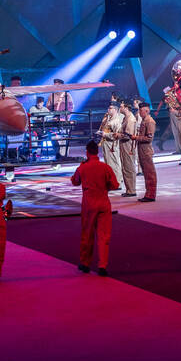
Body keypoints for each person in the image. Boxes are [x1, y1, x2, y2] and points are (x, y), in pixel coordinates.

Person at [71, 140, 120, 275]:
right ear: (97, 152)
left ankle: (85, 263)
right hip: (103, 202)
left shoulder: (83, 168)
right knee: (104, 236)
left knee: (87, 234)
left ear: (87, 152)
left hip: (89, 203)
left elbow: (75, 181)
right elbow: (115, 185)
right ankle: (102, 265)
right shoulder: (105, 167)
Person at [135, 102, 157, 202]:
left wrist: (136, 137)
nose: (139, 112)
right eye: (139, 110)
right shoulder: (144, 120)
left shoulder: (149, 121)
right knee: (146, 173)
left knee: (150, 173)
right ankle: (148, 193)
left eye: (141, 110)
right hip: (142, 149)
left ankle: (151, 195)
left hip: (146, 150)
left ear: (147, 110)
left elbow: (149, 138)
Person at [118, 99, 138, 197]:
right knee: (125, 167)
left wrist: (118, 135)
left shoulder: (130, 119)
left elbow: (128, 135)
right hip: (124, 145)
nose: (120, 108)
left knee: (129, 167)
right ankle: (129, 189)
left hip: (128, 146)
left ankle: (131, 190)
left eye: (121, 107)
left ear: (126, 108)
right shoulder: (126, 117)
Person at [100, 104, 123, 179]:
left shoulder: (117, 121)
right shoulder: (109, 119)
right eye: (108, 108)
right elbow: (103, 128)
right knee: (108, 164)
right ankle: (112, 180)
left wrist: (105, 135)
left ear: (115, 110)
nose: (108, 110)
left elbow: (117, 135)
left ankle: (117, 180)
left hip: (112, 145)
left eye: (110, 108)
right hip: (106, 144)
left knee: (114, 164)